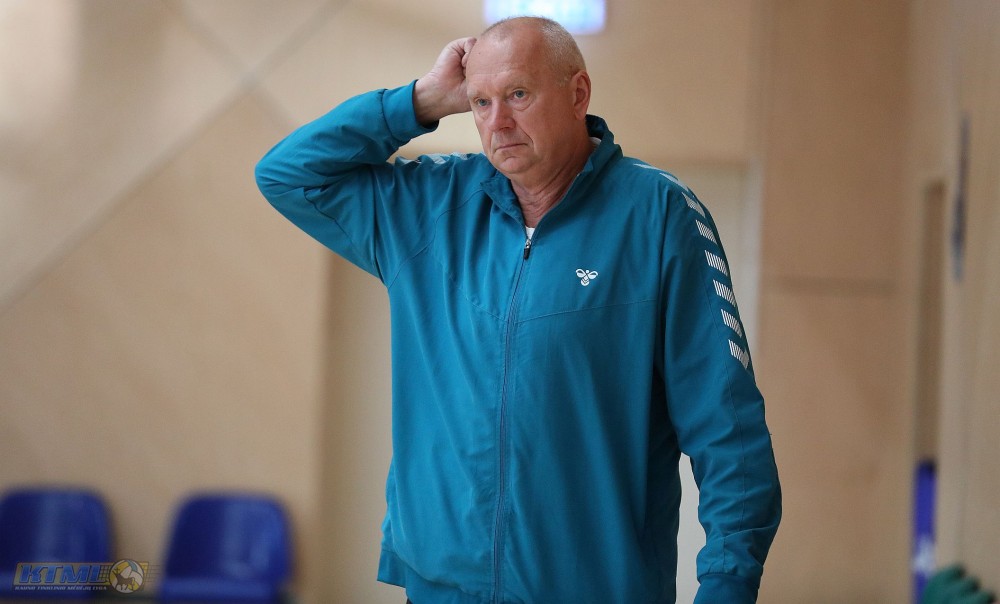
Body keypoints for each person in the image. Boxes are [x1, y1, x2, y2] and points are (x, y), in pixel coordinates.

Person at [256, 16, 781, 604]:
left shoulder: (659, 214)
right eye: (481, 102)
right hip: (442, 590)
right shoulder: (426, 209)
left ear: (578, 94)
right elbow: (287, 175)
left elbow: (726, 425)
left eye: (518, 94)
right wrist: (421, 102)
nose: (497, 122)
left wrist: (728, 583)